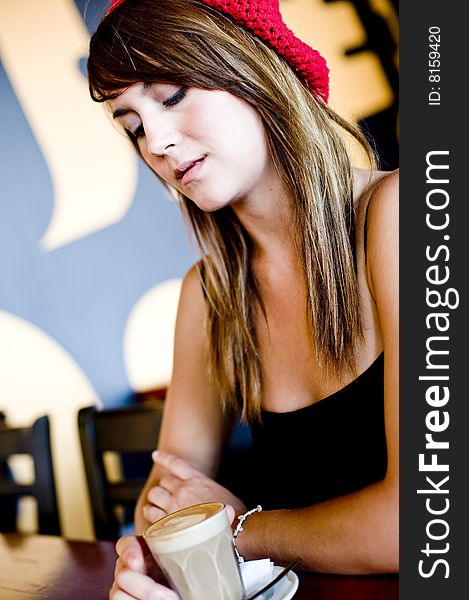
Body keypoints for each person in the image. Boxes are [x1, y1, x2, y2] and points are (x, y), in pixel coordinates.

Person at [87, 0, 399, 597]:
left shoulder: (403, 218)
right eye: (133, 126)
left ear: (253, 66)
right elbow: (171, 492)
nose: (155, 140)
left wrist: (240, 530)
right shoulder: (208, 297)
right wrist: (149, 556)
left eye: (172, 95)